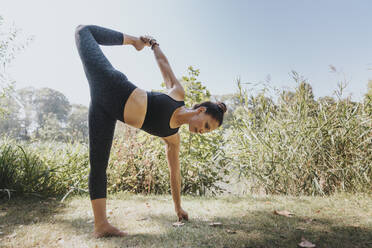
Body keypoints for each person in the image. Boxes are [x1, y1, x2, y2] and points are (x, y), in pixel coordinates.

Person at [75, 24, 227, 238]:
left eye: (207, 131)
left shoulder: (173, 138)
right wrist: (152, 44)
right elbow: (164, 64)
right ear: (200, 110)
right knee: (83, 31)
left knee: (98, 165)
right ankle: (133, 41)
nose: (203, 131)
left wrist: (178, 208)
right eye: (207, 125)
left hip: (104, 110)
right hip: (110, 83)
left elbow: (175, 174)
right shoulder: (177, 94)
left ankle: (101, 225)